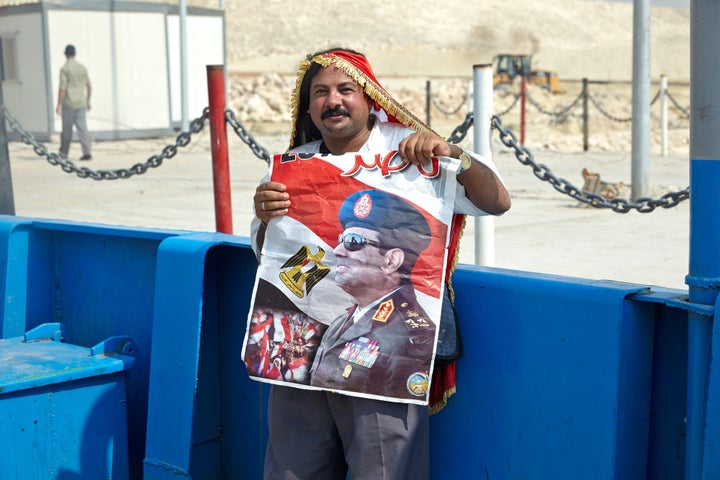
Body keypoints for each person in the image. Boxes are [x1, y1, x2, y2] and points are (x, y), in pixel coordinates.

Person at [251, 48, 510, 480]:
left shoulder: (411, 149)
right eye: (320, 92)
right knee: (291, 471)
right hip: (306, 351)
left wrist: (455, 156)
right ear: (309, 106)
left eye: (345, 89)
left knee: (385, 471)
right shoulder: (292, 167)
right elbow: (268, 257)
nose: (333, 101)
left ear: (369, 96)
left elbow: (497, 202)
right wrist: (263, 220)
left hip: (388, 358)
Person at [309, 189, 436, 399]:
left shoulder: (408, 337)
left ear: (391, 261)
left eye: (353, 241)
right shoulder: (341, 323)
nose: (338, 250)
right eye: (341, 239)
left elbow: (387, 427)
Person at [56, 44, 92, 161]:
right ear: (75, 54)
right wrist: (88, 101)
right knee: (83, 129)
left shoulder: (65, 69)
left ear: (65, 54)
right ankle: (87, 152)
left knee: (67, 129)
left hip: (69, 103)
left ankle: (63, 153)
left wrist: (59, 104)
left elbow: (63, 88)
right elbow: (89, 86)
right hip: (81, 102)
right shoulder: (82, 68)